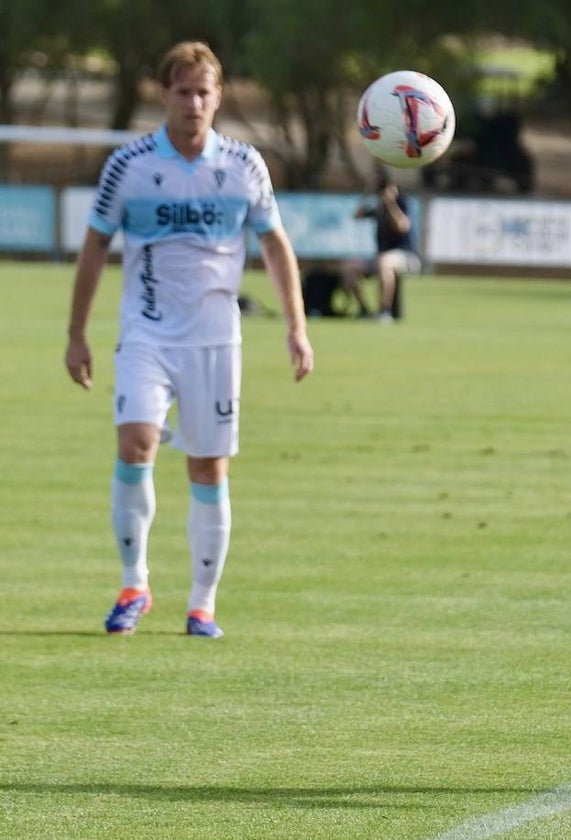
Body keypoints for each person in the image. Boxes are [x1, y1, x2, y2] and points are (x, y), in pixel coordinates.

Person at [64, 41, 315, 639]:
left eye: (205, 92)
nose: (194, 102)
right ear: (164, 94)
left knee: (208, 467)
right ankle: (134, 584)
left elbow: (275, 246)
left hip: (216, 343)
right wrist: (76, 334)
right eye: (183, 91)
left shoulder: (244, 166)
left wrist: (296, 325)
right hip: (147, 335)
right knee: (136, 444)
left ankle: (202, 604)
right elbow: (96, 245)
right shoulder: (128, 166)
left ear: (219, 97)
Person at [339, 167, 422, 322]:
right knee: (349, 267)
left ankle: (384, 311)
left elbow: (402, 225)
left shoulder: (402, 202)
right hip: (381, 257)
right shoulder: (377, 205)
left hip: (406, 256)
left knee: (385, 262)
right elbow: (356, 216)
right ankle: (363, 309)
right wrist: (367, 193)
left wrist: (390, 203)